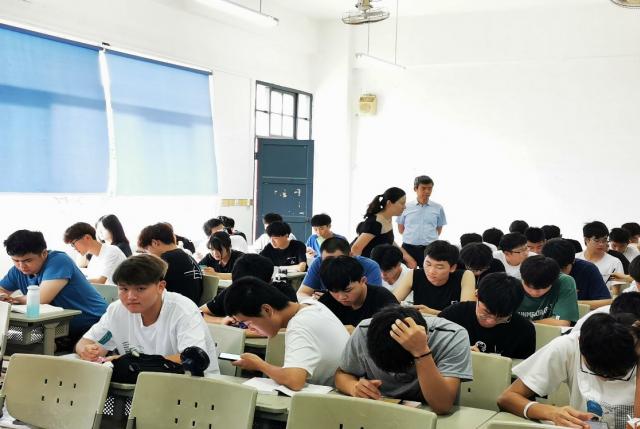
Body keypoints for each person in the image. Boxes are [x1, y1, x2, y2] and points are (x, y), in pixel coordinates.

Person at [76, 254, 220, 375]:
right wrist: (87, 351)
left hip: (190, 386)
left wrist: (132, 362)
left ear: (160, 287)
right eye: (124, 289)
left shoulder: (182, 310)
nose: (130, 297)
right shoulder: (117, 310)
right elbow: (86, 342)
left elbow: (192, 359)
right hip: (138, 385)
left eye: (140, 289)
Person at [498, 313, 639, 429]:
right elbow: (507, 398)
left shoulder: (635, 349)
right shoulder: (568, 346)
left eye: (618, 374)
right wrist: (551, 413)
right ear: (580, 343)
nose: (605, 379)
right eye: (596, 371)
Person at [335, 305, 472, 414]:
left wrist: (421, 352)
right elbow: (342, 374)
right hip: (379, 411)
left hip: (430, 413)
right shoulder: (365, 331)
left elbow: (442, 405)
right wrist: (353, 387)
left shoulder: (451, 335)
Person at [224, 277, 350, 389]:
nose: (250, 329)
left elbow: (294, 381)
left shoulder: (299, 325)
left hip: (335, 397)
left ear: (267, 310)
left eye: (248, 323)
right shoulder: (311, 305)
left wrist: (259, 365)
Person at [0, 230, 107, 340]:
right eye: (15, 260)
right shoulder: (17, 270)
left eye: (28, 260)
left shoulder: (59, 261)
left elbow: (41, 299)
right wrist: (3, 296)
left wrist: (12, 299)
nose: (21, 266)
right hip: (59, 330)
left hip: (95, 326)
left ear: (44, 253)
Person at [439, 272, 535, 359]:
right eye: (486, 313)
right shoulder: (453, 315)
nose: (491, 321)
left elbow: (522, 369)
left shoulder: (524, 330)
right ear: (476, 295)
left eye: (501, 318)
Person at [200, 253, 297, 325]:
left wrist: (244, 331)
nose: (243, 294)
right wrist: (221, 320)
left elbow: (292, 324)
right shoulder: (232, 292)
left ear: (269, 283)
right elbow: (199, 313)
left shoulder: (283, 292)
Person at [393, 240, 475, 315]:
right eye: (428, 264)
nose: (431, 271)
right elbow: (391, 303)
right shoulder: (414, 274)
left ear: (452, 268)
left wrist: (434, 313)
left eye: (439, 267)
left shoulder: (465, 276)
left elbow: (467, 313)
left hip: (453, 325)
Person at [318, 256, 398, 329]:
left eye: (347, 290)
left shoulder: (383, 300)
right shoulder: (327, 302)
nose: (341, 297)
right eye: (334, 291)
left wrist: (359, 334)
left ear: (363, 281)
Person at [138, 223, 203, 304]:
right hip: (191, 307)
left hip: (173, 308)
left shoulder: (164, 261)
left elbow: (143, 287)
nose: (149, 254)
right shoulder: (188, 257)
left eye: (147, 250)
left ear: (155, 243)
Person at [352, 187, 416, 268]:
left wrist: (406, 256)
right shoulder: (375, 223)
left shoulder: (388, 218)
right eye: (402, 203)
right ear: (389, 203)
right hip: (369, 266)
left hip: (378, 264)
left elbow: (389, 240)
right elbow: (356, 248)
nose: (404, 207)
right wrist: (360, 271)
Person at [297, 237, 382, 298]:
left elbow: (374, 299)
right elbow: (302, 293)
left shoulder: (369, 266)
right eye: (327, 260)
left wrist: (330, 300)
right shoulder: (318, 263)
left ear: (351, 256)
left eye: (339, 259)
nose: (332, 264)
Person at [541, 238, 611, 309]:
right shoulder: (539, 269)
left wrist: (572, 303)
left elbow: (606, 302)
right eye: (554, 270)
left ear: (573, 261)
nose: (560, 274)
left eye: (563, 269)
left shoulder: (587, 269)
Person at [397, 176, 447, 266]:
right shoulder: (405, 207)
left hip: (430, 249)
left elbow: (438, 230)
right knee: (407, 273)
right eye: (423, 188)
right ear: (415, 189)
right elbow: (401, 229)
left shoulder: (438, 208)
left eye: (430, 188)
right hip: (408, 249)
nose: (427, 191)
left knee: (429, 273)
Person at [516, 255, 579, 326]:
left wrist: (524, 326)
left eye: (542, 288)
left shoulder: (564, 281)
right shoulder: (512, 284)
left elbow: (563, 323)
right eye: (529, 287)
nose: (535, 293)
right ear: (522, 278)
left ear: (554, 281)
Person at [575, 221, 624, 286]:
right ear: (586, 240)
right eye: (597, 240)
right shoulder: (575, 259)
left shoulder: (615, 262)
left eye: (604, 240)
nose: (601, 244)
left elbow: (617, 289)